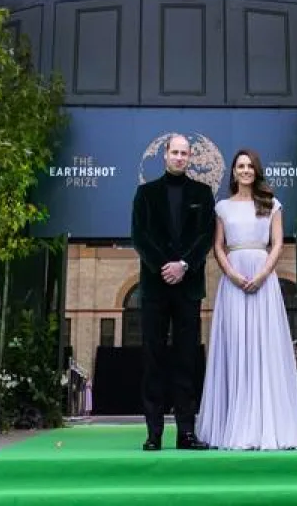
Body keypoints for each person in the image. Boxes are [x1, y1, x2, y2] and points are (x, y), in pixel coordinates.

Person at [196, 148, 297, 450]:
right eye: (240, 166)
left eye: (249, 166)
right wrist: (232, 274)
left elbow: (278, 243)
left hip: (263, 280)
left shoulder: (272, 204)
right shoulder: (222, 207)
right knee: (236, 348)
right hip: (233, 282)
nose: (245, 170)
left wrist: (262, 275)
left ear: (256, 171)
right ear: (233, 172)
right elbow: (218, 246)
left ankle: (267, 426)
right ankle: (234, 425)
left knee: (263, 347)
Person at [130, 134, 217, 451]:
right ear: (165, 155)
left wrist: (183, 265)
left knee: (186, 361)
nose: (180, 157)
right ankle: (153, 434)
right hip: (155, 287)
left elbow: (206, 236)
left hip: (188, 288)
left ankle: (186, 433)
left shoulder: (203, 193)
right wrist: (163, 267)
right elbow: (139, 236)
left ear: (190, 157)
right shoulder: (145, 193)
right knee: (153, 360)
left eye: (184, 153)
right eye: (175, 152)